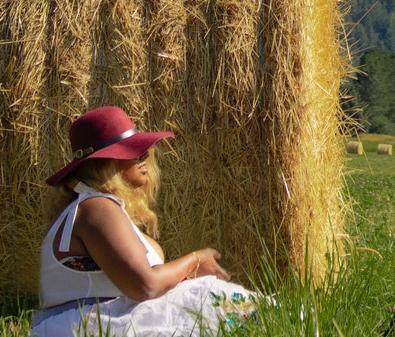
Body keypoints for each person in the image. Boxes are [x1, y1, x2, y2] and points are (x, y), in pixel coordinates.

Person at [32, 105, 262, 336]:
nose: (144, 157)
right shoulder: (96, 208)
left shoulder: (95, 207)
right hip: (90, 324)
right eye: (132, 151)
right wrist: (194, 260)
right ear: (105, 163)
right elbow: (145, 285)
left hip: (95, 319)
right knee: (211, 298)